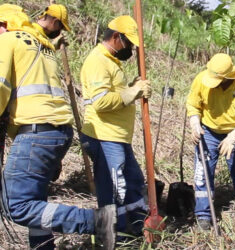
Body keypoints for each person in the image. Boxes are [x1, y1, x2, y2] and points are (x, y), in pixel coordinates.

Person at [0, 4, 116, 250]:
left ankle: (97, 221)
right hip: (56, 132)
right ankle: (43, 247)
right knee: (36, 200)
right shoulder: (42, 47)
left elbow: (0, 86)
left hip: (36, 133)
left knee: (17, 205)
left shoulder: (8, 40)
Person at [80, 16, 151, 238]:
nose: (129, 48)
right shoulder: (97, 61)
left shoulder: (111, 61)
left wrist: (132, 87)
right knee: (114, 189)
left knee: (133, 181)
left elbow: (115, 94)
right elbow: (101, 102)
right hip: (104, 136)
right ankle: (115, 235)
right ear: (115, 37)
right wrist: (132, 92)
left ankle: (139, 226)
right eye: (128, 43)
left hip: (118, 137)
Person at [186, 53, 235, 230]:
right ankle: (203, 215)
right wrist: (195, 122)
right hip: (209, 132)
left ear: (227, 77)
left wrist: (234, 137)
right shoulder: (201, 79)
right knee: (202, 173)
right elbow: (193, 103)